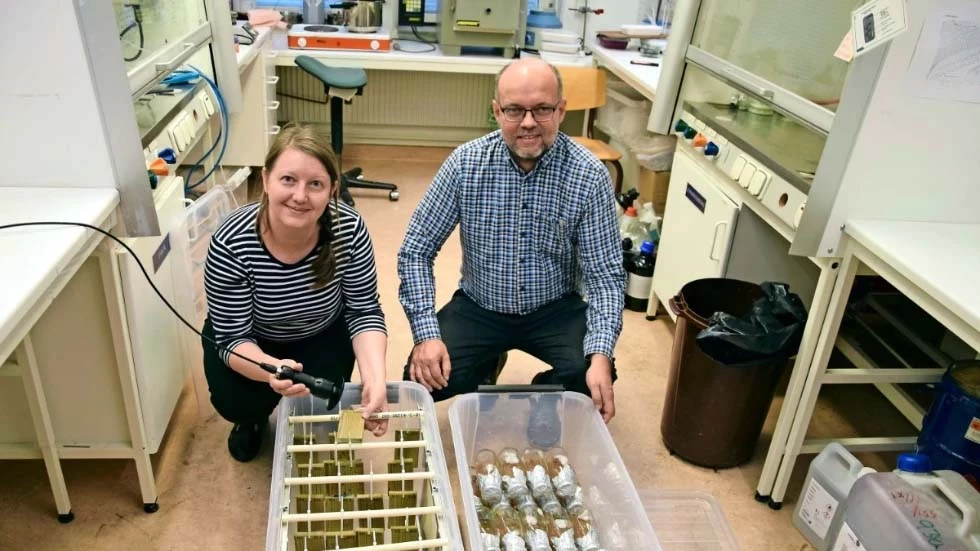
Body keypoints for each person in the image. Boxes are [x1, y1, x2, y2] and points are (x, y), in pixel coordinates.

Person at [397, 58, 626, 435]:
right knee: (421, 379)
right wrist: (426, 334)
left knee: (592, 375)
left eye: (542, 109)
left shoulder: (589, 175)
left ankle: (546, 390)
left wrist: (600, 354)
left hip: (555, 308)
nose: (529, 123)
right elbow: (416, 250)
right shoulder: (465, 164)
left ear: (561, 109)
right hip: (479, 305)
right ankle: (485, 362)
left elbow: (605, 278)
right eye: (515, 110)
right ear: (496, 111)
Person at [202, 124, 389, 463]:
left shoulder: (350, 229)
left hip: (321, 332)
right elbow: (231, 337)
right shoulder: (231, 242)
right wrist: (272, 369)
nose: (300, 196)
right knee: (237, 402)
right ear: (266, 179)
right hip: (252, 338)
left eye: (315, 184)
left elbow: (363, 311)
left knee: (328, 401)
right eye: (288, 180)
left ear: (332, 189)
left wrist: (375, 379)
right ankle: (252, 420)